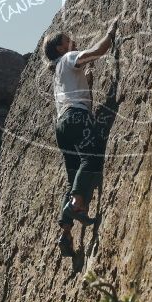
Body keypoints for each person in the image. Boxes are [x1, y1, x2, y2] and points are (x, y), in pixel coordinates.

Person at [42, 20, 118, 257]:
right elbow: (97, 51)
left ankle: (65, 231)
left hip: (63, 125)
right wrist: (111, 33)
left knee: (74, 176)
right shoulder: (68, 58)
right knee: (92, 158)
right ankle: (76, 204)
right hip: (76, 118)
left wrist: (88, 80)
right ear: (60, 48)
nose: (73, 42)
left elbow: (77, 91)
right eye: (68, 40)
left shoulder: (58, 72)